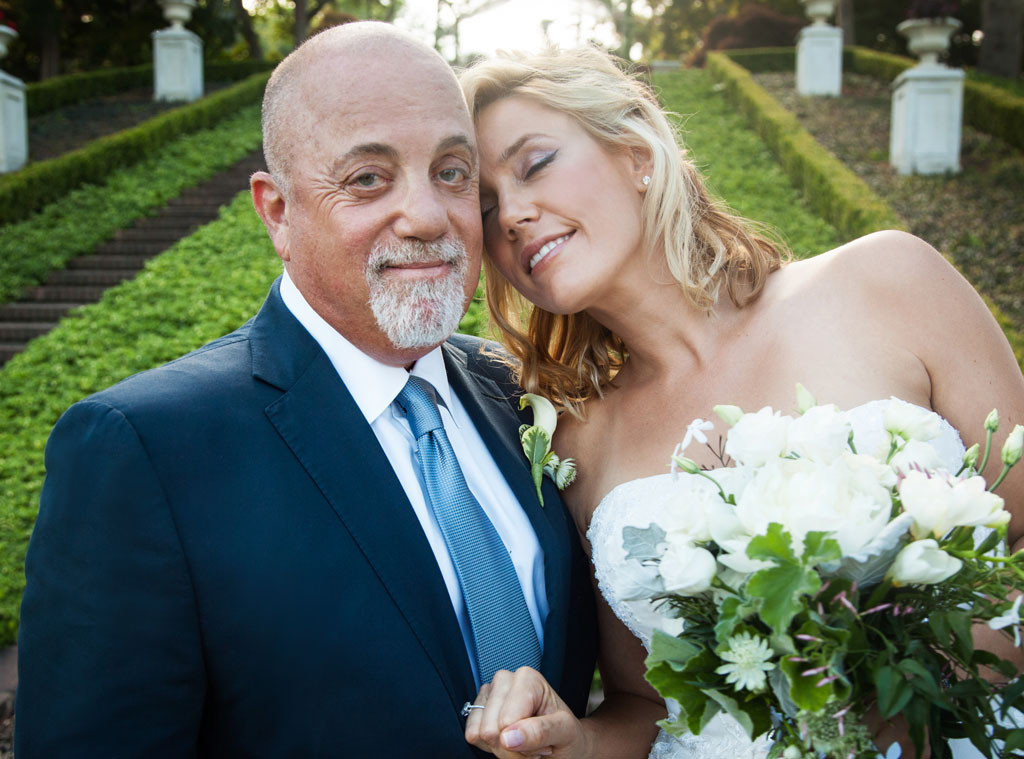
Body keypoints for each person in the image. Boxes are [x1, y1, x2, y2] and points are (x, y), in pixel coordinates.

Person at [14, 23, 597, 757]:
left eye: (451, 171)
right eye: (367, 179)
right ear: (277, 211)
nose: (426, 216)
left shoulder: (526, 400)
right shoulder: (144, 450)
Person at [457, 47, 1024, 759]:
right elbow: (647, 704)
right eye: (483, 205)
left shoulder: (888, 282)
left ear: (637, 152)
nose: (510, 213)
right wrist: (573, 741)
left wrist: (914, 694)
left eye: (534, 164)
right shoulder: (576, 441)